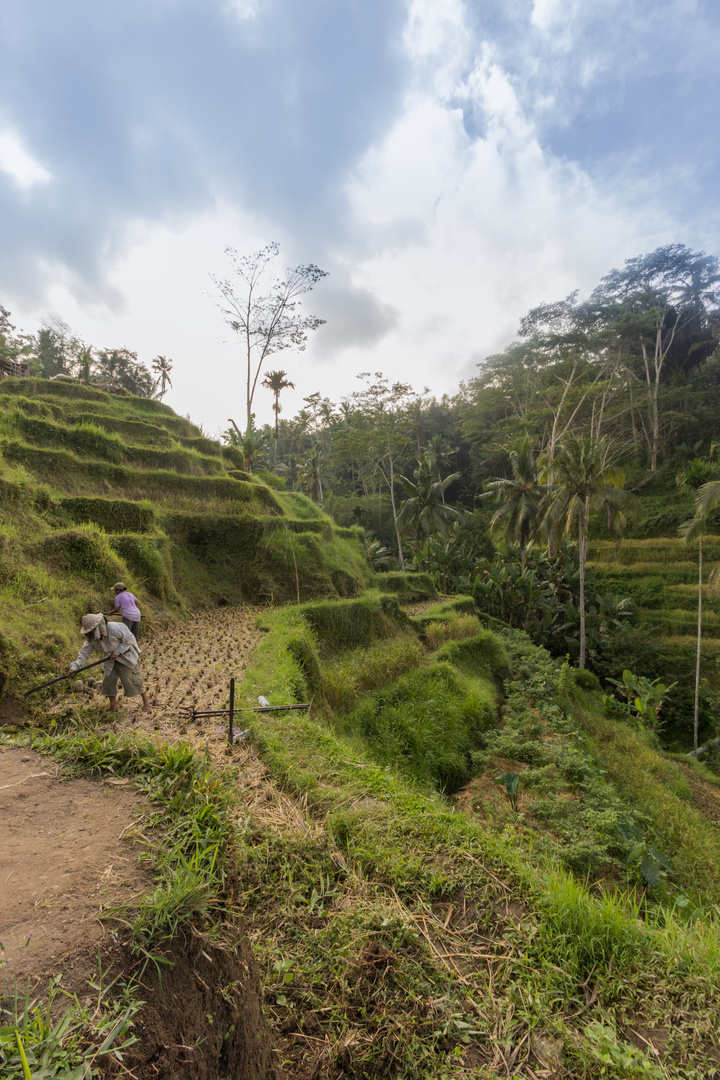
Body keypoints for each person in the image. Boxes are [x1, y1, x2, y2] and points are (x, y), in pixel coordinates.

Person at [68, 613, 150, 712]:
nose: (89, 633)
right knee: (109, 682)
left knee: (133, 679)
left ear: (97, 628)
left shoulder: (115, 628)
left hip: (125, 656)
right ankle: (113, 707)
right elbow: (84, 653)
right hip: (109, 659)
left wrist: (117, 652)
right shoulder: (91, 639)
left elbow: (129, 639)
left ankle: (146, 702)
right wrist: (74, 667)